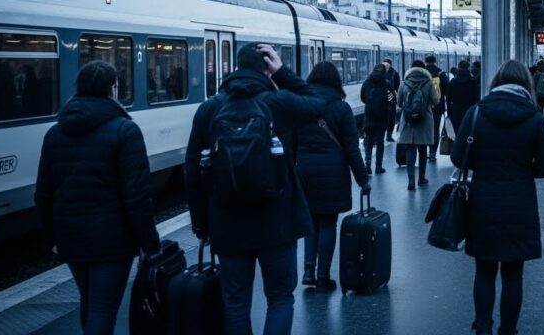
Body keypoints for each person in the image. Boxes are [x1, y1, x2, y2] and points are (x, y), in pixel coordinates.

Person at [185, 44, 314, 335]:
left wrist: (202, 226)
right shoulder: (277, 103)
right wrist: (283, 74)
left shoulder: (209, 109)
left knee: (235, 304)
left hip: (228, 223)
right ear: (267, 68)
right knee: (280, 298)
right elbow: (322, 101)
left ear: (234, 66)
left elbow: (191, 171)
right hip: (278, 223)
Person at [35, 61, 160, 335]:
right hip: (112, 240)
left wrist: (53, 238)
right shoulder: (125, 131)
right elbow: (137, 195)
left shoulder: (55, 133)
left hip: (71, 238)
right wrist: (150, 243)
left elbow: (43, 194)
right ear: (113, 89)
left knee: (89, 301)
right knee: (102, 308)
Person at [451, 60, 544, 335]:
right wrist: (524, 170)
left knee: (484, 270)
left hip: (482, 201)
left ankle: (483, 326)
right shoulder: (534, 118)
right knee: (513, 273)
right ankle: (508, 330)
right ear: (526, 85)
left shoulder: (476, 114)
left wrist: (485, 166)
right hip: (520, 202)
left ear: (496, 82)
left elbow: (457, 156)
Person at [296, 62, 371, 291]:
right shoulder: (341, 108)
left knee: (310, 223)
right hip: (333, 172)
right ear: (336, 81)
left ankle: (308, 270)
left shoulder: (300, 105)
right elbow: (351, 148)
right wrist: (363, 180)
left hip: (304, 171)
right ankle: (322, 276)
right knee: (328, 222)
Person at [397, 60, 440, 190]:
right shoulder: (428, 83)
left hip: (408, 120)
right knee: (422, 150)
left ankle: (411, 180)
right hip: (424, 119)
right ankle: (421, 178)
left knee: (410, 149)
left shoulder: (404, 83)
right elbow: (436, 101)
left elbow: (399, 103)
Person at [360, 64, 392, 174]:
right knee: (380, 142)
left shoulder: (366, 82)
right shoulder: (387, 83)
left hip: (369, 117)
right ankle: (378, 166)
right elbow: (391, 99)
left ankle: (367, 163)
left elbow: (363, 98)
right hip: (382, 117)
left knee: (368, 141)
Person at [424, 55, 450, 162]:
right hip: (437, 106)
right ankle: (432, 153)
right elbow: (448, 90)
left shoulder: (422, 73)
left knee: (424, 129)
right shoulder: (441, 73)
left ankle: (423, 152)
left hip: (423, 106)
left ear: (425, 62)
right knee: (435, 129)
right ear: (435, 62)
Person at [447, 60, 480, 133]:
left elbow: (448, 99)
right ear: (469, 68)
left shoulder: (452, 82)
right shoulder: (473, 82)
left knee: (457, 132)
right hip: (469, 109)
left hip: (455, 110)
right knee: (468, 131)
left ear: (458, 68)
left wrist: (449, 113)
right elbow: (476, 98)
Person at [383, 58, 401, 142]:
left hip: (391, 99)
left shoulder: (394, 74)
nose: (386, 65)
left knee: (391, 118)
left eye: (387, 64)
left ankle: (389, 135)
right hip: (383, 99)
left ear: (390, 65)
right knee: (387, 118)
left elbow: (398, 87)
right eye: (384, 64)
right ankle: (386, 135)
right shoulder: (381, 73)